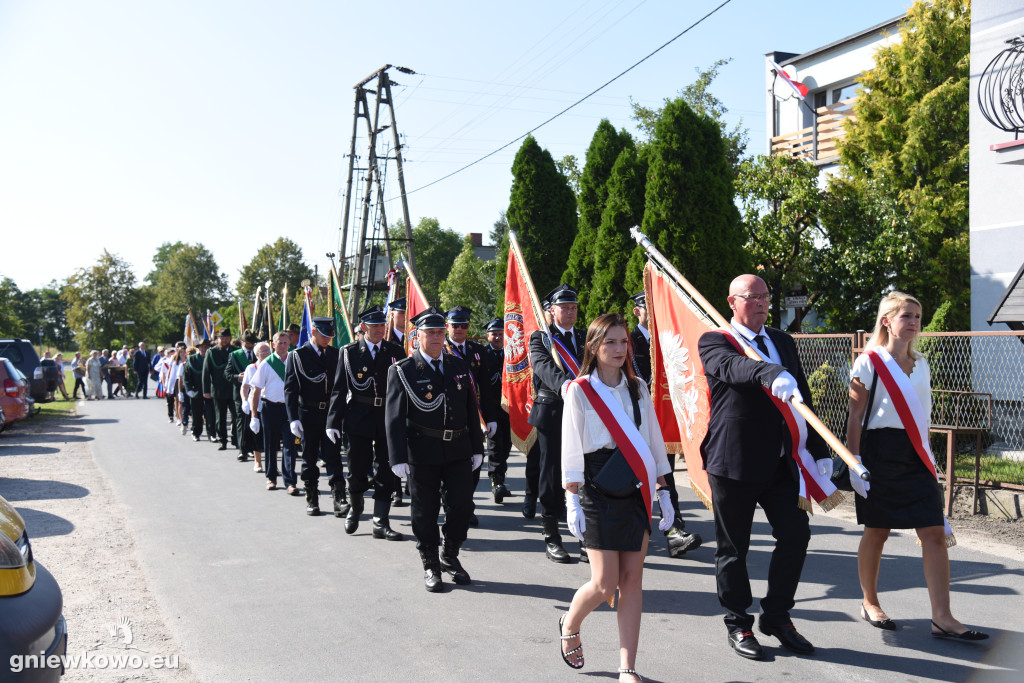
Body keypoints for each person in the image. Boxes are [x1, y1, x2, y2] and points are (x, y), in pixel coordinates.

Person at [697, 274, 829, 660]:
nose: (760, 303)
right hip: (733, 461)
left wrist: (818, 448)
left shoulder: (783, 341)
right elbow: (735, 369)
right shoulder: (716, 341)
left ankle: (777, 615)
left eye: (765, 296)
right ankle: (738, 623)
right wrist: (770, 373)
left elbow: (800, 393)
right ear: (732, 302)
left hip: (780, 462)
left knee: (796, 535)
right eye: (750, 297)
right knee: (734, 548)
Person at [845, 292, 988, 641]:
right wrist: (854, 461)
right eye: (906, 315)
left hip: (916, 455)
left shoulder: (922, 363)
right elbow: (855, 416)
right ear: (887, 321)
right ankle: (869, 602)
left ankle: (942, 616)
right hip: (879, 453)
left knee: (934, 534)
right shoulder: (868, 362)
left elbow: (920, 417)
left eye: (917, 316)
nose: (913, 322)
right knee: (877, 531)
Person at [558, 313, 674, 682]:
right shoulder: (579, 390)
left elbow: (654, 444)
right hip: (596, 490)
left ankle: (628, 667)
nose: (620, 349)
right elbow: (571, 448)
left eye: (624, 342)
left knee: (633, 582)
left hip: (634, 491)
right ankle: (571, 622)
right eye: (611, 342)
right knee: (605, 584)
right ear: (593, 346)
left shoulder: (638, 389)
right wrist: (571, 499)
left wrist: (664, 491)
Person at [385, 307, 484, 592]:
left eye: (441, 332)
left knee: (463, 506)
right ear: (418, 336)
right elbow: (393, 417)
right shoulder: (402, 370)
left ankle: (450, 554)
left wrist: (477, 448)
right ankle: (430, 562)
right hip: (422, 451)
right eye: (431, 333)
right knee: (424, 511)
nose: (438, 338)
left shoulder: (458, 366)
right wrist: (397, 456)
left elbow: (469, 408)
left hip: (458, 449)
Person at [629, 292, 702, 560]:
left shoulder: (667, 340)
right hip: (634, 422)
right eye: (647, 308)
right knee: (634, 481)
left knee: (665, 476)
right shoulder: (628, 341)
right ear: (637, 312)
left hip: (664, 421)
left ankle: (674, 532)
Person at [326, 305, 405, 540]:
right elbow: (339, 389)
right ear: (364, 328)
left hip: (386, 417)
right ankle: (356, 507)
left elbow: (402, 389)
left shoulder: (395, 351)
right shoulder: (349, 352)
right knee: (358, 468)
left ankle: (381, 520)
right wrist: (333, 421)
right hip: (358, 415)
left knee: (386, 468)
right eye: (375, 326)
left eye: (383, 325)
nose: (380, 330)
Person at [528, 284, 586, 563]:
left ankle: (587, 536)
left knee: (585, 472)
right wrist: (567, 387)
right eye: (565, 307)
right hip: (553, 411)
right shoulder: (542, 338)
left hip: (584, 415)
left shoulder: (586, 337)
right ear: (551, 311)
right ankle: (552, 536)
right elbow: (543, 367)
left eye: (574, 307)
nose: (571, 312)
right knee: (551, 474)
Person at [285, 317, 348, 517]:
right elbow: (290, 389)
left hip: (330, 414)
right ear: (313, 332)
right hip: (308, 414)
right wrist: (293, 417)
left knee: (334, 457)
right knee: (309, 458)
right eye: (323, 334)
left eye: (330, 334)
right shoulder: (298, 356)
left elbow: (341, 388)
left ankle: (339, 498)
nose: (328, 338)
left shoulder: (336, 354)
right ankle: (312, 498)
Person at [444, 305, 496, 526]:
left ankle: (467, 504)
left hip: (475, 419)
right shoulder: (441, 349)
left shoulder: (478, 351)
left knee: (474, 464)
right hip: (449, 418)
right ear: (447, 326)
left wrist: (491, 417)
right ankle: (451, 505)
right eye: (455, 325)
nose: (459, 329)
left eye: (463, 325)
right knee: (449, 467)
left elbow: (486, 386)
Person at [250, 331, 301, 495]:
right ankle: (271, 478)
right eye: (279, 343)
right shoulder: (267, 364)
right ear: (273, 344)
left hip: (289, 409)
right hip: (270, 408)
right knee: (271, 445)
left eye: (286, 343)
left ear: (290, 344)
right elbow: (256, 391)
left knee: (289, 446)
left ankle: (290, 482)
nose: (283, 345)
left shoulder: (294, 361)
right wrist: (254, 416)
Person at [522, 299, 552, 520]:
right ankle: (531, 496)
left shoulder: (578, 337)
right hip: (540, 404)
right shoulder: (540, 338)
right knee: (537, 460)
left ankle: (557, 502)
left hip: (569, 408)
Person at [482, 318, 513, 503]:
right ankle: (496, 483)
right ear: (488, 336)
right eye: (494, 334)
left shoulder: (511, 354)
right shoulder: (483, 354)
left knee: (507, 444)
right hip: (491, 407)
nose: (498, 337)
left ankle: (500, 478)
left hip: (509, 408)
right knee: (495, 445)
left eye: (501, 334)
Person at [203, 328, 237, 452]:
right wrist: (206, 390)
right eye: (222, 338)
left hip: (233, 389)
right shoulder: (211, 352)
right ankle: (223, 440)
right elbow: (206, 372)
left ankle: (236, 439)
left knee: (237, 416)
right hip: (218, 390)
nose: (224, 340)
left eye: (226, 338)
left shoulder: (236, 351)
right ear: (218, 339)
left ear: (230, 338)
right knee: (220, 418)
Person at [227, 330, 258, 462]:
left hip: (256, 393)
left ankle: (252, 448)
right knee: (241, 421)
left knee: (254, 420)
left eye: (252, 343)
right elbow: (227, 374)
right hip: (241, 394)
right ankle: (242, 450)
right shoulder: (234, 355)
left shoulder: (260, 354)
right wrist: (237, 377)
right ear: (242, 342)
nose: (250, 345)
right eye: (248, 343)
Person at [241, 341, 270, 473]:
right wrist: (244, 401)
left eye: (267, 351)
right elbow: (245, 387)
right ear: (257, 354)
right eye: (262, 351)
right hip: (256, 405)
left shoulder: (274, 366)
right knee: (256, 435)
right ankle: (258, 462)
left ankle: (272, 464)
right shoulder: (251, 368)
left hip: (270, 404)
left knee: (272, 436)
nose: (265, 353)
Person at [183, 340, 209, 442]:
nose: (204, 348)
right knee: (196, 414)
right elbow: (186, 375)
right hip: (196, 390)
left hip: (209, 390)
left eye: (206, 347)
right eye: (202, 347)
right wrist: (189, 389)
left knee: (210, 414)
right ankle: (196, 432)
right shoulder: (192, 359)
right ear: (198, 348)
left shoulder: (211, 358)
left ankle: (212, 433)